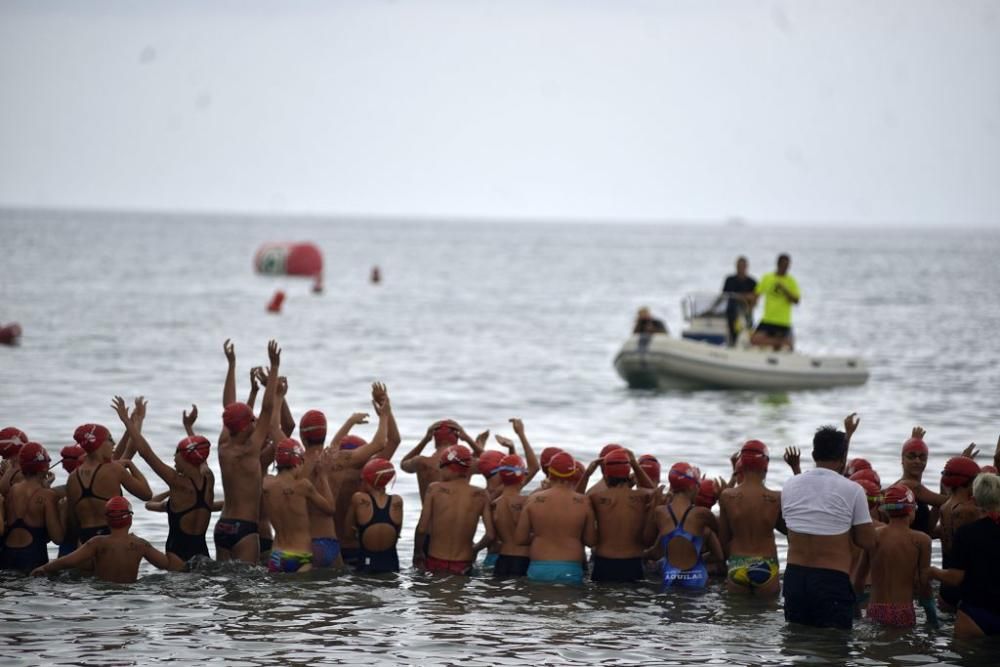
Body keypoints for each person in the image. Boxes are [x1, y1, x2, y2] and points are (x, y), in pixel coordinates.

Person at [780, 425, 875, 629]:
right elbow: (867, 541)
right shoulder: (854, 490)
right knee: (834, 648)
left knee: (797, 642)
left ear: (814, 454)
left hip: (794, 579)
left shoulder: (789, 485)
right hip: (831, 580)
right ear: (842, 458)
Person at [113, 397, 217, 569]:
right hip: (202, 555)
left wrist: (126, 420)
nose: (173, 458)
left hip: (176, 557)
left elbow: (145, 453)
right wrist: (189, 427)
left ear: (185, 457)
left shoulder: (177, 482)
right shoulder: (209, 478)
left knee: (137, 543)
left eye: (176, 453)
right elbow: (200, 455)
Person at [214, 339, 281, 564]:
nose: (255, 422)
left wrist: (232, 365)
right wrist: (274, 367)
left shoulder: (223, 445)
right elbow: (268, 408)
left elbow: (228, 406)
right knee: (247, 592)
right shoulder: (251, 449)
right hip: (245, 528)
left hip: (222, 526)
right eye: (251, 420)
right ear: (245, 426)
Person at [325, 382, 400, 568]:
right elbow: (393, 441)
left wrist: (349, 422)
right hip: (360, 549)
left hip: (333, 548)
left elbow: (333, 450)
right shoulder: (370, 470)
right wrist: (385, 411)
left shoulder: (330, 470)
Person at [402, 419, 485, 567]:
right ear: (457, 440)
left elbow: (404, 464)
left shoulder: (422, 462)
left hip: (430, 533)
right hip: (460, 533)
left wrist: (424, 440)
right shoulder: (469, 464)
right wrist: (469, 439)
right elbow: (490, 464)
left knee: (426, 580)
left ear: (434, 440)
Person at [31, 496, 171, 583]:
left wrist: (44, 568)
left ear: (107, 520)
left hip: (102, 594)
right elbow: (166, 564)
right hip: (130, 592)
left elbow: (67, 561)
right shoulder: (141, 544)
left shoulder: (97, 542)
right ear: (130, 519)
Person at [929, 473, 1000, 639]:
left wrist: (932, 572)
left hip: (974, 616)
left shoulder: (966, 533)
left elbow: (955, 578)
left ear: (974, 500)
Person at [856, 485, 936, 628]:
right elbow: (923, 582)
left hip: (875, 608)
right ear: (911, 510)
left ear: (886, 511)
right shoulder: (921, 540)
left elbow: (860, 577)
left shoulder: (874, 535)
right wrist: (931, 612)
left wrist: (856, 606)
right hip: (903, 610)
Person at [515, 452, 596, 585]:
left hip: (539, 566)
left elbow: (520, 539)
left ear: (550, 473)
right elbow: (591, 541)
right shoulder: (584, 502)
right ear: (573, 474)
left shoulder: (533, 499)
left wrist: (542, 535)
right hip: (571, 567)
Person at [67, 420, 152, 546]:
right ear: (99, 444)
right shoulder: (114, 469)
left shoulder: (72, 478)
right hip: (112, 536)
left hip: (85, 540)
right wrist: (130, 464)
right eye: (110, 439)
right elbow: (146, 494)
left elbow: (73, 521)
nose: (113, 443)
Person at [416, 445, 494, 575]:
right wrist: (475, 549)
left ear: (449, 467)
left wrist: (417, 552)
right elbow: (490, 535)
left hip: (436, 561)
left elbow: (422, 529)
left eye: (441, 466)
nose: (440, 471)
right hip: (464, 564)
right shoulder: (481, 494)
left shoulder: (434, 489)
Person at [718, 440, 782, 596]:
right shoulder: (776, 498)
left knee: (738, 615)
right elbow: (789, 532)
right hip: (767, 564)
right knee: (765, 615)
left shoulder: (727, 496)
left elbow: (723, 539)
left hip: (738, 564)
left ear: (741, 464)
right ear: (765, 465)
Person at [262, 438, 336, 573]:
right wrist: (323, 475)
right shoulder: (303, 486)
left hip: (276, 556)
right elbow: (330, 508)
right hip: (300, 557)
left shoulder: (266, 484)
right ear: (297, 462)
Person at [645, 462, 723, 589]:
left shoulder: (660, 512)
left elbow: (648, 541)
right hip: (697, 581)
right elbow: (720, 554)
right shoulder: (702, 514)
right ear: (692, 487)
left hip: (670, 580)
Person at [589, 448, 652, 583]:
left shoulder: (595, 497)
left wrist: (587, 475)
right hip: (632, 562)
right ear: (628, 473)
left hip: (604, 562)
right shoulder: (641, 497)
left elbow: (577, 500)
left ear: (606, 475)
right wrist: (635, 464)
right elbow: (652, 490)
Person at [1, 443, 63, 572]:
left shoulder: (12, 490)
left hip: (7, 555)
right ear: (45, 468)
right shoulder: (48, 496)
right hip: (32, 556)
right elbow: (57, 538)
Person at [937, 455, 981, 609]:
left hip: (946, 586)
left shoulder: (945, 506)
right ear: (968, 481)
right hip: (964, 586)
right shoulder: (968, 510)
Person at [346, 457, 403, 573]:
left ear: (367, 480)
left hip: (366, 564)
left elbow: (348, 534)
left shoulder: (359, 499)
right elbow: (396, 535)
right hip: (391, 564)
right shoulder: (397, 502)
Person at [891, 427, 947, 536]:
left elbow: (927, 529)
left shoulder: (906, 485)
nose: (917, 461)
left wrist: (943, 489)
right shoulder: (909, 486)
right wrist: (960, 469)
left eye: (922, 457)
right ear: (902, 460)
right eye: (911, 456)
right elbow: (948, 502)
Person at [491, 454, 532, 578]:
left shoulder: (494, 504)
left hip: (502, 559)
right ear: (522, 476)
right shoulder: (528, 501)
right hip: (523, 560)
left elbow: (491, 535)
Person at [750, 253, 800, 351]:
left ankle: (782, 342)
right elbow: (757, 294)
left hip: (783, 321)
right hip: (768, 319)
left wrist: (785, 289)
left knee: (787, 348)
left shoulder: (791, 281)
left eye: (787, 266)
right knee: (753, 340)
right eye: (783, 265)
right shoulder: (767, 278)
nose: (785, 268)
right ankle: (780, 341)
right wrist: (752, 305)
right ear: (778, 264)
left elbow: (796, 301)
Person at [707, 256, 757, 345]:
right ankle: (730, 341)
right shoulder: (730, 280)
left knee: (744, 325)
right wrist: (712, 309)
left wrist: (742, 297)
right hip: (730, 311)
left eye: (742, 266)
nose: (740, 268)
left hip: (745, 312)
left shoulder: (752, 282)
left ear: (746, 267)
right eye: (738, 266)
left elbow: (754, 299)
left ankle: (738, 341)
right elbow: (723, 296)